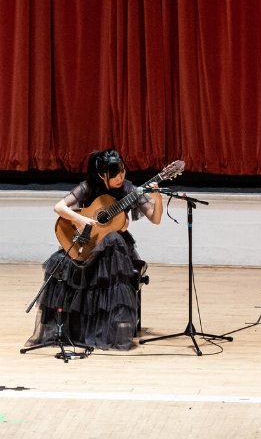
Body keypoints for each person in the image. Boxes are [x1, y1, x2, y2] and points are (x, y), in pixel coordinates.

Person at [26, 149, 163, 351]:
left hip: (113, 252)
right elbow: (59, 207)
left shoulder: (128, 190)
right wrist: (80, 219)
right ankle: (69, 328)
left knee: (113, 239)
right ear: (101, 175)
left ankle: (105, 328)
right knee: (59, 263)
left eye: (122, 172)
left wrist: (157, 195)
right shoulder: (88, 187)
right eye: (114, 174)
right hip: (87, 243)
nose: (120, 178)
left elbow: (155, 218)